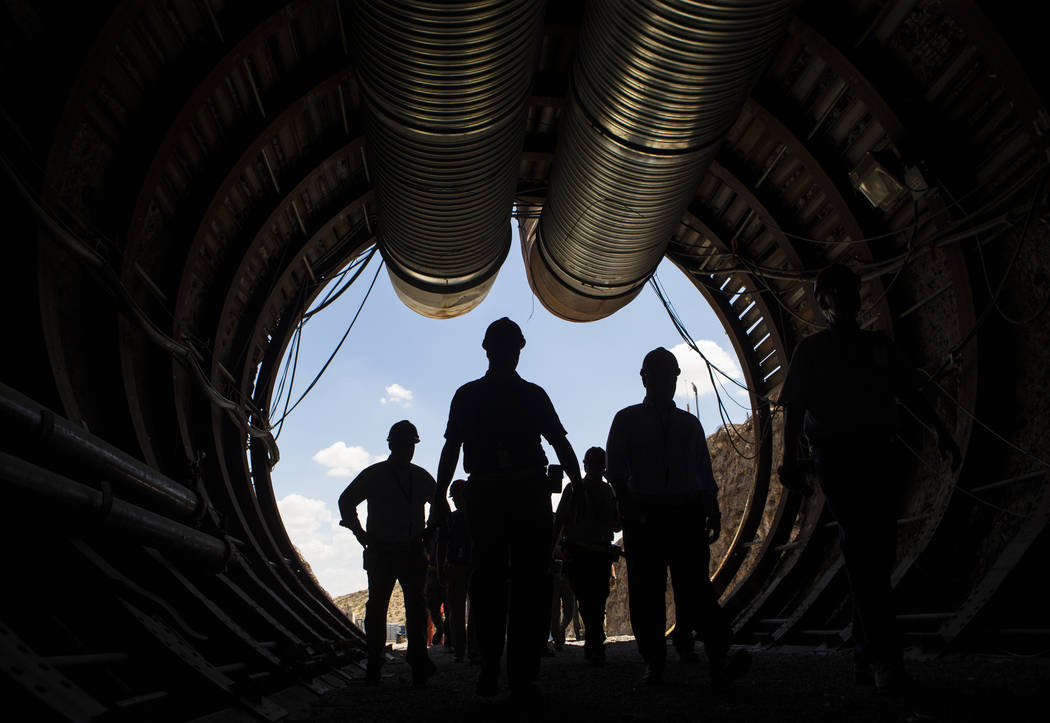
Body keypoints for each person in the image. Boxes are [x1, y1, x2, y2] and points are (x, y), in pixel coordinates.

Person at [778, 263, 961, 693]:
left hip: (879, 454)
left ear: (858, 298)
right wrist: (788, 462)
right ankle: (885, 657)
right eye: (832, 296)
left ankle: (865, 650)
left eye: (847, 293)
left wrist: (940, 431)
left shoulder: (878, 348)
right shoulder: (811, 352)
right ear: (822, 305)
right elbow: (794, 409)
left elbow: (911, 391)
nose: (841, 301)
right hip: (838, 460)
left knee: (875, 554)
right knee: (863, 546)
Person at [431, 317, 583, 698]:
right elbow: (561, 443)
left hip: (487, 496)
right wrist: (578, 487)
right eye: (506, 346)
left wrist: (437, 500)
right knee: (527, 583)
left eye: (507, 346)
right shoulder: (532, 395)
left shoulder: (468, 395)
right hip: (526, 494)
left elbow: (451, 449)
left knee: (490, 582)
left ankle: (491, 668)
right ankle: (520, 672)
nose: (507, 353)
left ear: (488, 349)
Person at [606, 348, 749, 689]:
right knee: (656, 592)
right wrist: (631, 510)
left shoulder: (638, 420)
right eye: (659, 374)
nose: (665, 381)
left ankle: (693, 658)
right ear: (645, 378)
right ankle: (663, 659)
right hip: (654, 513)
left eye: (669, 375)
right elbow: (617, 474)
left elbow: (701, 469)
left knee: (689, 589)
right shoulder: (652, 421)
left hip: (672, 512)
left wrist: (710, 506)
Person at [337, 420, 437, 687]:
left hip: (382, 551)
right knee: (414, 608)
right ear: (396, 445)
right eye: (407, 444)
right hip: (411, 551)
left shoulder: (375, 475)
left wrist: (361, 535)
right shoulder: (421, 477)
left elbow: (345, 501)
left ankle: (375, 665)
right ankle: (417, 664)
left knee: (378, 608)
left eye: (409, 445)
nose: (408, 450)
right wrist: (428, 534)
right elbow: (440, 509)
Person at [553, 446, 620, 665]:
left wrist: (553, 547)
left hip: (579, 553)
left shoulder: (573, 490)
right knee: (596, 600)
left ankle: (594, 642)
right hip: (598, 553)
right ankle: (595, 642)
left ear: (584, 464)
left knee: (586, 599)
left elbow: (559, 522)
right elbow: (616, 524)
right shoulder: (607, 491)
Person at [443, 479, 479, 663]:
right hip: (471, 567)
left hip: (458, 568)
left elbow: (443, 544)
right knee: (473, 611)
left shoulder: (453, 519)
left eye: (456, 497)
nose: (456, 500)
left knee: (457, 612)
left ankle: (461, 650)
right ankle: (471, 649)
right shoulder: (479, 517)